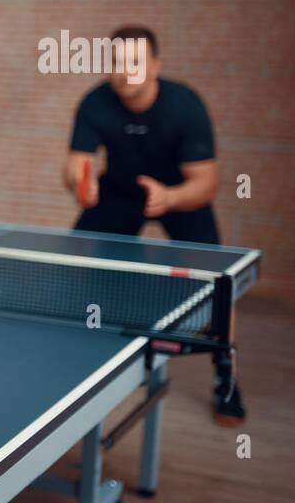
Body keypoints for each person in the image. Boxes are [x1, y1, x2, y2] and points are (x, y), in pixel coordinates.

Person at [62, 25, 244, 425]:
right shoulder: (95, 102)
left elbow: (207, 183)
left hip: (179, 194)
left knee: (220, 282)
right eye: (117, 62)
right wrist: (81, 183)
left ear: (156, 65)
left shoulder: (185, 106)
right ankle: (81, 353)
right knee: (79, 258)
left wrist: (170, 198)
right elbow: (76, 165)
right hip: (121, 193)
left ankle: (225, 375)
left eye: (135, 62)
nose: (125, 71)